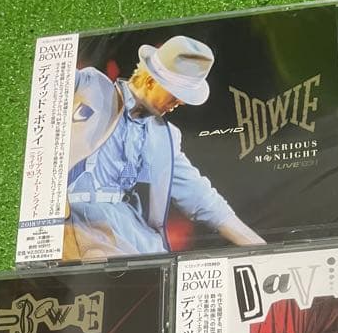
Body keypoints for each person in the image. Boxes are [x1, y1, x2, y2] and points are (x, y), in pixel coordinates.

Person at [64, 35, 265, 261]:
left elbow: (200, 195)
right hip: (72, 218)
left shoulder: (164, 136)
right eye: (176, 94)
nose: (181, 102)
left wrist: (261, 248)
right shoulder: (90, 86)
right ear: (151, 82)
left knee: (162, 264)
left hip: (127, 226)